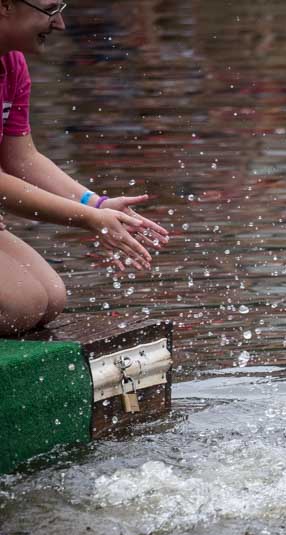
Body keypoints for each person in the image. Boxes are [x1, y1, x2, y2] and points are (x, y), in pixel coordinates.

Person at [0, 0, 170, 336]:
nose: (60, 24)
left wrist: (97, 204)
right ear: (5, 5)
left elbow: (21, 159)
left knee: (49, 299)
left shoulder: (13, 63)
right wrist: (87, 219)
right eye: (50, 9)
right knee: (18, 306)